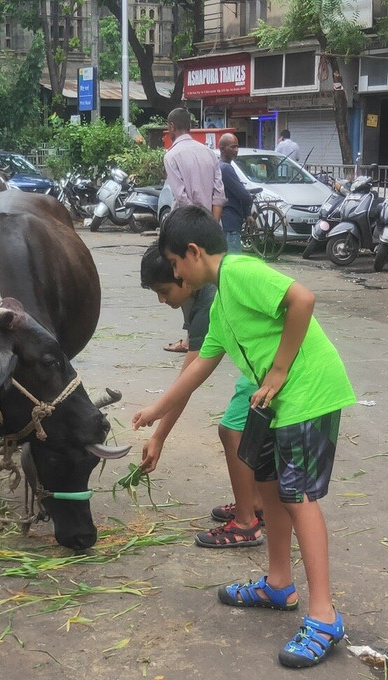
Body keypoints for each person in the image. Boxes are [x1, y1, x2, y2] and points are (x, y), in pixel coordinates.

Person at [132, 206, 356, 668]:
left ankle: (324, 615)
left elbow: (303, 299)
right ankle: (278, 584)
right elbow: (199, 366)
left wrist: (277, 370)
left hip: (308, 394)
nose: (172, 272)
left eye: (173, 264)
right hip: (275, 405)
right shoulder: (220, 305)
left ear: (193, 253)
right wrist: (156, 412)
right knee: (269, 492)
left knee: (299, 500)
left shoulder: (240, 271)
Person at [139, 245, 264, 547]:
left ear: (183, 274)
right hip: (257, 364)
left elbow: (189, 378)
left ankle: (247, 523)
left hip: (266, 365)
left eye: (165, 291)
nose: (162, 300)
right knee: (244, 429)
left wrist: (159, 436)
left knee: (231, 430)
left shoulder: (210, 299)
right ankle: (256, 502)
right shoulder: (198, 293)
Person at [163, 107, 226, 354]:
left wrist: (194, 228)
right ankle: (219, 333)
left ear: (171, 127)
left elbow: (182, 198)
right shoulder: (209, 153)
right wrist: (212, 226)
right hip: (213, 227)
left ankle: (192, 339)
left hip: (188, 228)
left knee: (187, 283)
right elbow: (219, 194)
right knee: (216, 282)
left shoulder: (172, 156)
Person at [218, 133, 253, 255]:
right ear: (222, 149)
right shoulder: (225, 168)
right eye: (232, 147)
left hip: (226, 221)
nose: (236, 150)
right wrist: (248, 207)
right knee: (233, 260)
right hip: (230, 222)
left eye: (237, 147)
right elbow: (243, 195)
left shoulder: (221, 166)